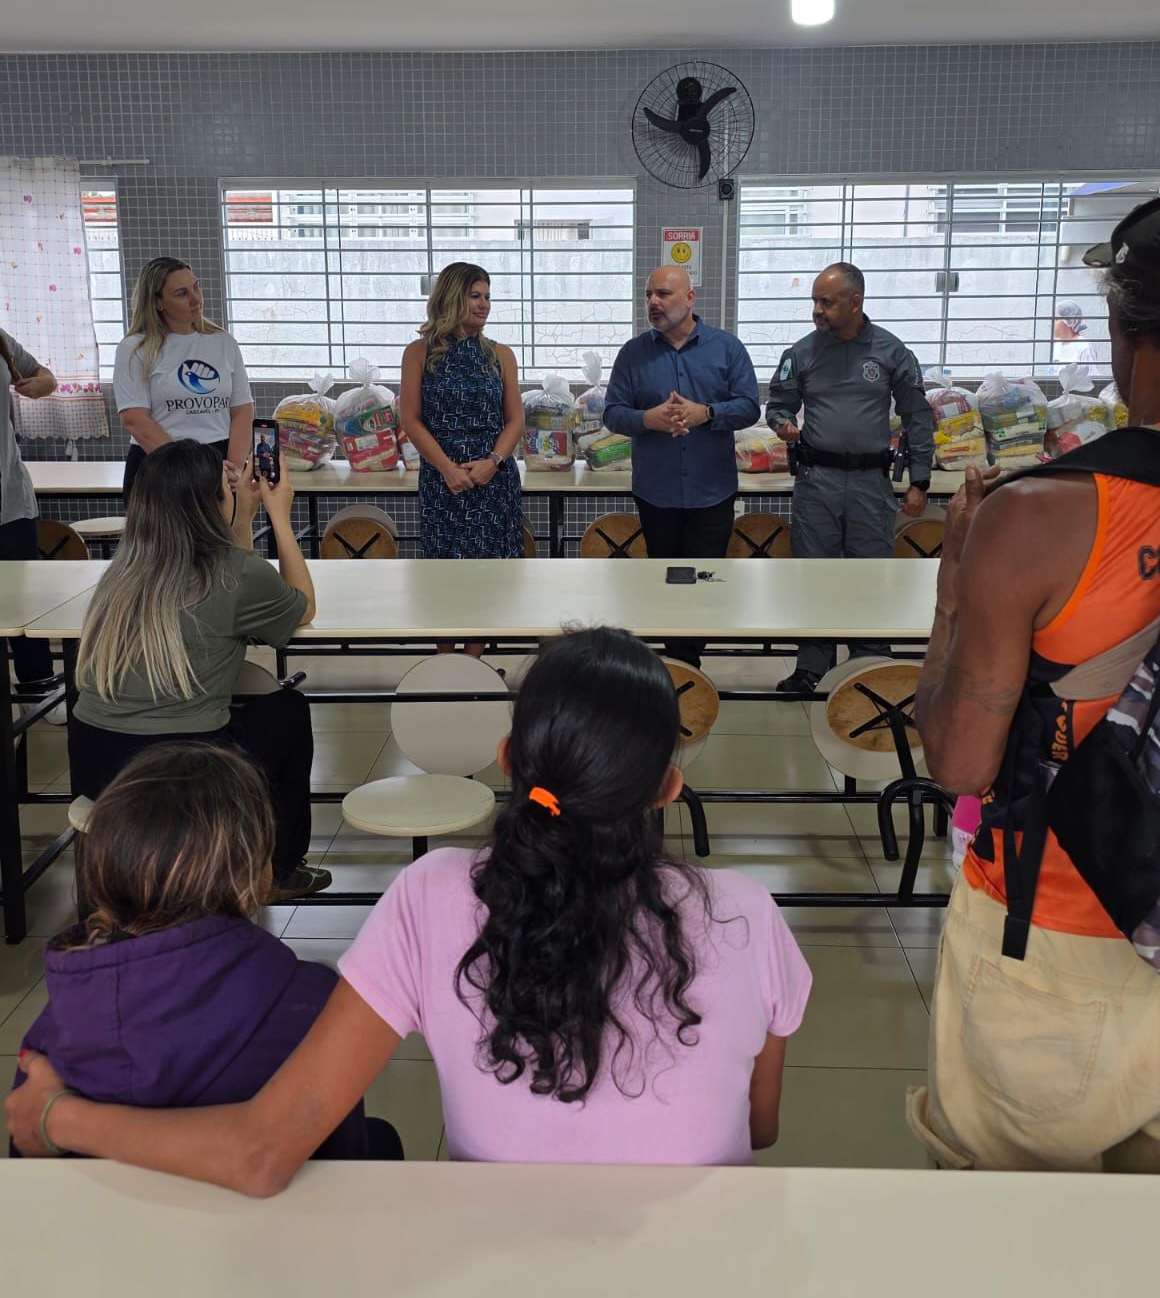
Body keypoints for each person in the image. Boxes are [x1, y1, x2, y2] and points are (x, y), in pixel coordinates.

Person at [7, 627, 813, 1183]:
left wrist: (56, 1118)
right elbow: (764, 1126)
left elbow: (259, 1153)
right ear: (669, 788)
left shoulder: (433, 896)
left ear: (506, 761)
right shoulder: (748, 912)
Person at [909, 185, 1160, 1172]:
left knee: (1012, 1233)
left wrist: (955, 589)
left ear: (1128, 334)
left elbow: (957, 758)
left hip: (1059, 933)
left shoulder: (1043, 515)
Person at [9, 743, 401, 1161]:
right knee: (381, 1140)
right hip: (264, 1220)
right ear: (255, 874)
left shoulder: (58, 1020)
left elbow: (26, 1146)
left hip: (105, 1221)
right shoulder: (313, 999)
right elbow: (340, 1159)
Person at [68, 439, 330, 901]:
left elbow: (238, 578)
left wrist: (244, 518)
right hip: (181, 767)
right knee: (288, 708)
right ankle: (281, 867)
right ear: (211, 504)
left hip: (95, 761)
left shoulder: (121, 571)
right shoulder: (235, 574)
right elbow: (301, 608)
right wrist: (280, 517)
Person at [765, 262, 934, 696]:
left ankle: (870, 660)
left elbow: (917, 417)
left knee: (870, 576)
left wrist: (920, 481)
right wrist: (783, 423)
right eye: (814, 301)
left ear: (855, 302)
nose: (817, 310)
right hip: (816, 481)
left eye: (827, 302)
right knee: (814, 575)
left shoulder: (892, 351)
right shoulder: (801, 353)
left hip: (869, 484)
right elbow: (777, 405)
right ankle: (811, 665)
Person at [603, 267, 760, 663]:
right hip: (657, 492)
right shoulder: (633, 353)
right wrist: (647, 420)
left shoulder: (727, 348)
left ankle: (689, 666)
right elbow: (613, 413)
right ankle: (673, 666)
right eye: (648, 294)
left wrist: (706, 412)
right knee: (665, 580)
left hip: (712, 491)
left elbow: (748, 406)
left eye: (664, 293)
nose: (653, 302)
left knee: (703, 583)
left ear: (690, 298)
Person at [398, 262, 524, 657]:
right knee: (443, 574)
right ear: (452, 297)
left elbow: (515, 418)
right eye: (475, 295)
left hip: (493, 479)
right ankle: (445, 661)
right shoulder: (418, 353)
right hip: (442, 480)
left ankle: (473, 661)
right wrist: (446, 468)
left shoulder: (501, 355)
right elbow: (410, 419)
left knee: (487, 575)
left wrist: (494, 462)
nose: (484, 304)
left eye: (487, 296)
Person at [113, 258, 253, 503]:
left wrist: (235, 469)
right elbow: (134, 420)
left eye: (196, 287)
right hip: (161, 464)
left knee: (224, 541)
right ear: (157, 302)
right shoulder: (134, 349)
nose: (196, 299)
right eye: (181, 293)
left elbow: (242, 410)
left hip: (217, 460)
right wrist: (188, 470)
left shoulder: (223, 343)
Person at [0, 327, 59, 702]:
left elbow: (43, 375)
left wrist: (41, 384)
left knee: (23, 594)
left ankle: (39, 688)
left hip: (9, 495)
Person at [1052, 299, 1100, 374]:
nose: (1051, 324)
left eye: (1056, 319)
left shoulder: (1084, 348)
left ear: (1071, 321)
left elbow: (1092, 379)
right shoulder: (1056, 346)